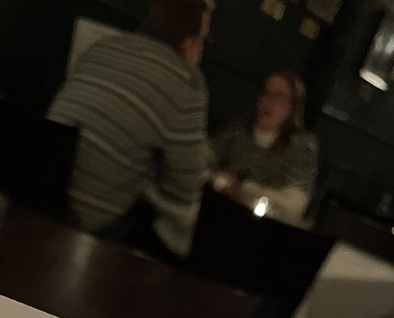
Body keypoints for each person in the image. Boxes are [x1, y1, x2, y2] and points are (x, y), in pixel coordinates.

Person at [48, 0, 210, 259]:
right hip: (83, 227)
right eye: (204, 41)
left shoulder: (105, 46)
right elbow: (183, 189)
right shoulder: (186, 84)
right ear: (189, 44)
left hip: (29, 189)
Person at [209, 72, 318, 226]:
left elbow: (294, 206)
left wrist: (245, 190)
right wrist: (220, 180)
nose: (269, 102)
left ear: (292, 107)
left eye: (278, 97)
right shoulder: (239, 129)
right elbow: (205, 158)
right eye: (266, 93)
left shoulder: (302, 146)